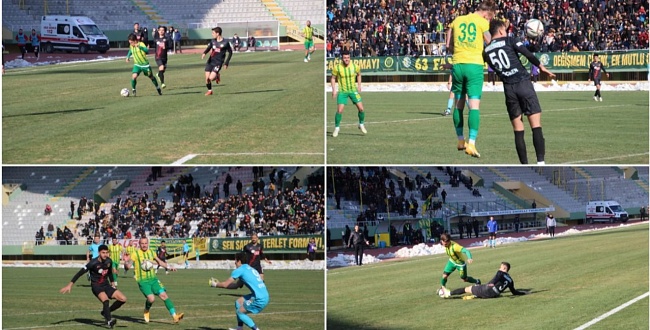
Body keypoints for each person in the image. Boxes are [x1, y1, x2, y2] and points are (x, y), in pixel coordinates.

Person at [483, 19, 555, 165]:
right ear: (501, 30)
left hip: (509, 89)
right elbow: (528, 54)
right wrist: (541, 67)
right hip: (523, 83)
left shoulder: (486, 52)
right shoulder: (510, 40)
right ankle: (540, 161)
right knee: (535, 125)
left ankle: (524, 164)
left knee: (518, 130)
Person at [445, 0, 497, 158]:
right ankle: (472, 143)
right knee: (474, 106)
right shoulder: (482, 22)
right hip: (474, 65)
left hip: (458, 64)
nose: (489, 20)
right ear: (486, 14)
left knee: (458, 105)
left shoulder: (458, 20)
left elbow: (448, 40)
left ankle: (461, 140)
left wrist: (453, 47)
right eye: (490, 18)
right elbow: (490, 42)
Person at [60, 244, 127, 328]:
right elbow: (79, 273)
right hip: (97, 286)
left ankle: (106, 312)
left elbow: (109, 273)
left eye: (106, 252)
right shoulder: (92, 263)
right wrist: (70, 285)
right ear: (99, 253)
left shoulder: (109, 261)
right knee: (105, 300)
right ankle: (109, 321)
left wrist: (113, 282)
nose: (105, 254)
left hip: (106, 285)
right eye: (103, 253)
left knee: (123, 299)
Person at [209, 252, 269, 330]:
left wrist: (215, 284)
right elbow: (236, 286)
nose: (235, 262)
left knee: (240, 312)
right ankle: (239, 328)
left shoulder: (240, 270)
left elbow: (225, 284)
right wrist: (219, 284)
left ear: (239, 261)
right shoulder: (249, 268)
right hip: (263, 295)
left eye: (235, 260)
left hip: (259, 298)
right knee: (238, 302)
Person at [129, 237, 183, 324]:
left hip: (153, 279)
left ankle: (175, 316)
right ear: (139, 244)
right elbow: (129, 262)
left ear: (148, 243)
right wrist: (127, 265)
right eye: (142, 243)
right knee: (151, 299)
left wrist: (169, 267)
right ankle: (146, 310)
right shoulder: (135, 254)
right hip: (143, 281)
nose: (144, 245)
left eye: (146, 243)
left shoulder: (151, 252)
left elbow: (160, 262)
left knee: (164, 295)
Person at [440, 262, 527, 299]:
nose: (499, 268)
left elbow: (495, 279)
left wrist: (491, 284)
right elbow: (514, 292)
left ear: (504, 268)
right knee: (479, 288)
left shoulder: (500, 272)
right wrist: (524, 293)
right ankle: (477, 293)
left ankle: (448, 293)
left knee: (466, 289)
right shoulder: (510, 280)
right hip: (494, 295)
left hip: (487, 290)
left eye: (500, 266)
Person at [330, 50, 366, 137]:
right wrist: (334, 90)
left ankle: (361, 124)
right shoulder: (337, 67)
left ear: (350, 58)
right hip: (342, 91)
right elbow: (333, 78)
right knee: (339, 110)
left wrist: (359, 85)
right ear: (342, 58)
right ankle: (337, 128)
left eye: (348, 58)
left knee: (361, 109)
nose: (346, 59)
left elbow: (359, 74)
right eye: (345, 58)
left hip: (353, 90)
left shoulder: (355, 66)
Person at [201, 27, 233, 96]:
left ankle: (217, 75)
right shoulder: (213, 41)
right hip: (210, 61)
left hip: (218, 63)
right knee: (207, 79)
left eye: (213, 33)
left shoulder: (225, 43)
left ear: (217, 33)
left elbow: (230, 52)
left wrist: (226, 63)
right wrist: (204, 53)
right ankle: (210, 91)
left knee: (211, 78)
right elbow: (208, 48)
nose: (212, 34)